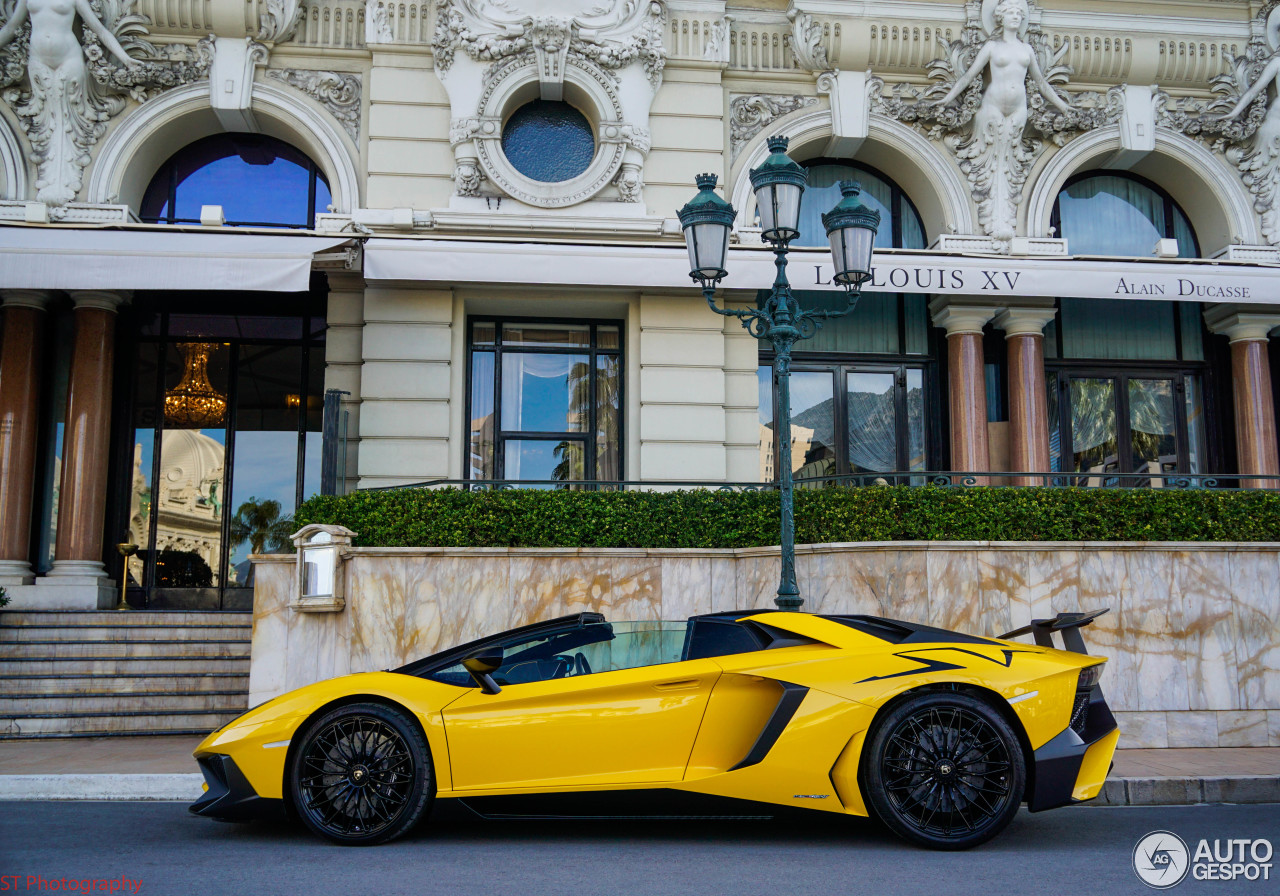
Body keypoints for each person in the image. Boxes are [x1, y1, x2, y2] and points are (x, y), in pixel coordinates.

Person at [935, 0, 1069, 242]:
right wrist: (947, 98)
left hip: (1019, 110)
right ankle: (996, 218)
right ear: (1001, 18)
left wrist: (1062, 106)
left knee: (1010, 162)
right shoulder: (992, 47)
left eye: (1019, 14)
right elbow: (968, 76)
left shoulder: (1027, 50)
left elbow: (1040, 83)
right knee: (993, 159)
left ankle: (1004, 217)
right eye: (1011, 14)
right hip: (992, 107)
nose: (1016, 17)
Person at [0, 0, 137, 204]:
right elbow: (11, 26)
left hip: (69, 58)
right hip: (38, 60)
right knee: (46, 118)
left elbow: (99, 30)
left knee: (69, 115)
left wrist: (125, 59)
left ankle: (67, 170)